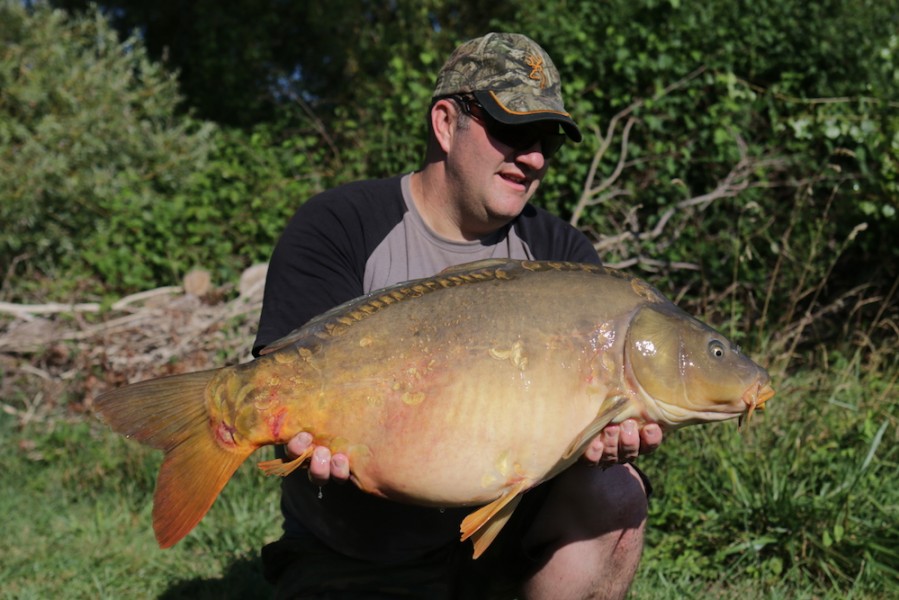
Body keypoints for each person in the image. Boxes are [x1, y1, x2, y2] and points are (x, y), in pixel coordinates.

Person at [253, 32, 663, 600]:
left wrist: (614, 433)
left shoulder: (562, 257)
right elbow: (285, 387)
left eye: (548, 139)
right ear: (446, 123)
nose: (536, 157)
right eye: (514, 131)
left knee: (618, 492)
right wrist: (293, 436)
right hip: (360, 546)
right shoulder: (338, 226)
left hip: (507, 535)